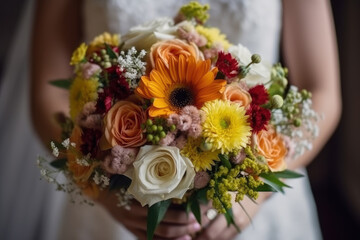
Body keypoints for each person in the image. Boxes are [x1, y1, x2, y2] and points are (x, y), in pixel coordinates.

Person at [0, 0, 340, 239]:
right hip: (113, 210)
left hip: (250, 199)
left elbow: (322, 90)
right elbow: (49, 93)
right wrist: (102, 191)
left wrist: (255, 192)